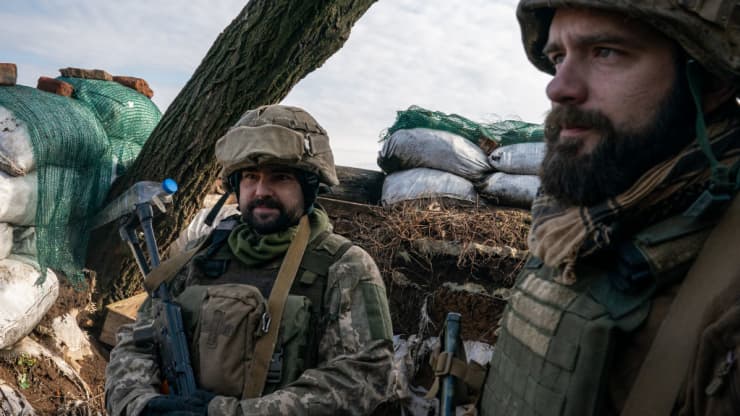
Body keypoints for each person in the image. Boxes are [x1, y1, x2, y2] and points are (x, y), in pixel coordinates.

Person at [480, 1, 740, 415]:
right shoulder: (569, 232)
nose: (558, 87)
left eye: (606, 52)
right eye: (558, 57)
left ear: (710, 80)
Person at [105, 104, 394, 416]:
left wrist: (233, 413)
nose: (261, 191)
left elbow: (363, 378)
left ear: (308, 187)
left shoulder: (344, 266)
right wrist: (143, 404)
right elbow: (136, 343)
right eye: (250, 177)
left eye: (280, 178)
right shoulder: (199, 258)